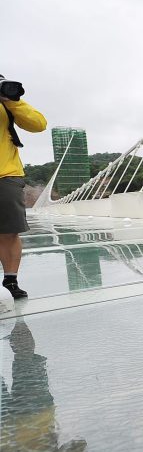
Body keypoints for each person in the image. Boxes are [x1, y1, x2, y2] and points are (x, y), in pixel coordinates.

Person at [0, 76, 46, 299]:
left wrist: (11, 101)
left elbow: (39, 124)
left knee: (9, 231)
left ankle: (11, 279)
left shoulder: (6, 102)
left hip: (6, 174)